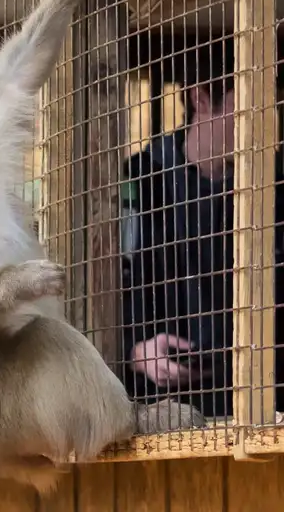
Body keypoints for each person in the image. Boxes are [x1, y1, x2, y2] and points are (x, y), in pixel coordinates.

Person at [121, 42, 284, 419]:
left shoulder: (273, 185)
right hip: (152, 407)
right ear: (201, 98)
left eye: (268, 101)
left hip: (254, 405)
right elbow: (103, 289)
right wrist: (134, 351)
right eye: (246, 102)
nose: (262, 117)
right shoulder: (140, 179)